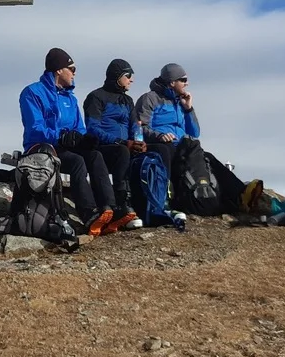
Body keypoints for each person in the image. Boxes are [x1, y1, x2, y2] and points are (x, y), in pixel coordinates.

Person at [19, 48, 117, 235]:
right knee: (77, 161)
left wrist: (84, 139)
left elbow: (79, 128)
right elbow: (34, 127)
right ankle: (88, 214)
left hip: (66, 146)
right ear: (58, 70)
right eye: (72, 68)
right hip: (41, 147)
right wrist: (61, 136)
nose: (74, 73)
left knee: (95, 155)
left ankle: (109, 208)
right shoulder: (32, 93)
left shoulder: (70, 98)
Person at [82, 58, 146, 232]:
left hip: (125, 146)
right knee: (123, 152)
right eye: (128, 75)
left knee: (153, 155)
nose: (131, 79)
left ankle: (148, 208)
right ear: (117, 77)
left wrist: (140, 142)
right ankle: (122, 203)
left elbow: (134, 125)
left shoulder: (128, 101)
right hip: (104, 147)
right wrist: (122, 142)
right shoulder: (96, 97)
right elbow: (93, 128)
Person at [132, 63, 200, 176]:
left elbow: (194, 133)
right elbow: (140, 127)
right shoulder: (150, 98)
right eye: (183, 80)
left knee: (206, 157)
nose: (187, 83)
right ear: (172, 82)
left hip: (182, 145)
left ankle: (237, 191)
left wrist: (188, 109)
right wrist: (160, 136)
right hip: (161, 144)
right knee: (168, 150)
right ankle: (167, 188)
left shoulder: (181, 102)